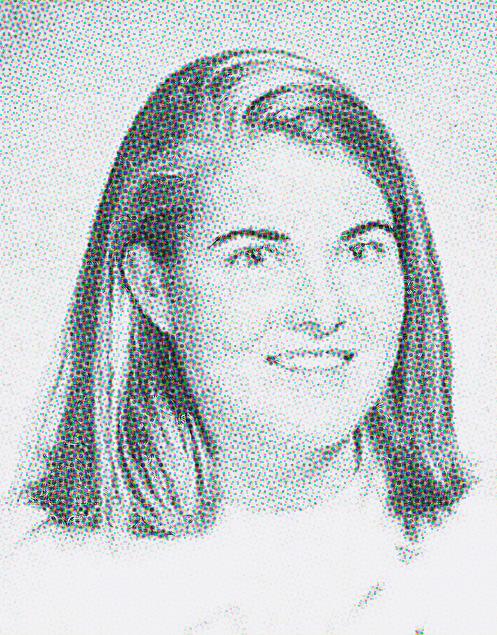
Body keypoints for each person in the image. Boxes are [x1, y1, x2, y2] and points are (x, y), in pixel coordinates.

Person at [5, 49, 473, 633]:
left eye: (361, 250)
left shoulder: (476, 553)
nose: (324, 311)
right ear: (153, 288)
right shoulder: (50, 594)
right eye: (255, 257)